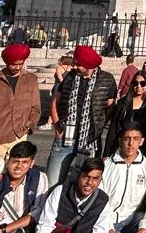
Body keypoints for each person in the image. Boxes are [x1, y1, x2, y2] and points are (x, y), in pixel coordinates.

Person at [46, 45, 117, 186]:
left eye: (78, 64)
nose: (75, 66)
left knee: (85, 182)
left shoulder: (107, 79)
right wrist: (57, 126)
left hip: (90, 139)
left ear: (88, 64)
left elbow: (110, 106)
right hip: (65, 136)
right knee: (52, 182)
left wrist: (100, 124)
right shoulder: (70, 77)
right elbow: (55, 101)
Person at [0, 43, 41, 159]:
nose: (17, 67)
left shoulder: (31, 79)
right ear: (6, 63)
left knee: (17, 167)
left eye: (21, 64)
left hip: (20, 134)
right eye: (13, 64)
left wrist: (29, 125)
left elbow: (35, 107)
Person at [103, 69, 146, 156]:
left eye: (143, 83)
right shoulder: (123, 103)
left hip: (144, 150)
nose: (138, 86)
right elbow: (113, 128)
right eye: (135, 83)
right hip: (122, 147)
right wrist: (107, 153)